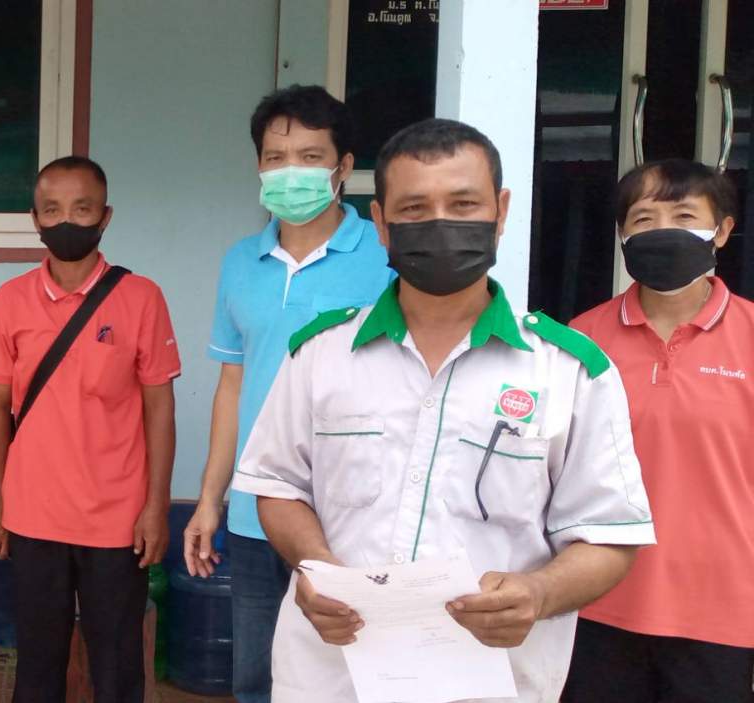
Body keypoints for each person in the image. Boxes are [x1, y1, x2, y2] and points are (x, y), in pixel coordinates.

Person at [232, 119, 656, 702]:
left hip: (494, 683)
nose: (440, 223)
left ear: (501, 212)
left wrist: (539, 594)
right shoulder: (319, 354)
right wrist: (316, 567)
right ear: (381, 223)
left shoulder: (570, 371)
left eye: (463, 204)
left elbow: (608, 535)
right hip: (330, 678)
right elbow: (278, 487)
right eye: (414, 208)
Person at [181, 84, 392, 703]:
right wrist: (210, 499)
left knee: (349, 673)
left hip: (351, 511)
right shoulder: (240, 262)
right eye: (276, 158)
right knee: (256, 676)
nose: (290, 171)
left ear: (343, 167)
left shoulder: (385, 258)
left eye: (309, 156)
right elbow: (232, 384)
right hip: (256, 511)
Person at [0, 155, 181, 701]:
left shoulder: (141, 298)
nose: (66, 220)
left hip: (117, 520)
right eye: (52, 209)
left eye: (82, 208)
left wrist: (156, 507)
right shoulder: (10, 300)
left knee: (116, 668)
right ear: (35, 219)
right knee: (37, 667)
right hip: (33, 516)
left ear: (105, 216)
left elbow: (160, 410)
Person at [562, 159, 754, 703]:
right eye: (644, 218)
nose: (663, 230)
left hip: (724, 611)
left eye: (684, 215)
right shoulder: (580, 339)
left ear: (722, 230)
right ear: (622, 235)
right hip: (595, 602)